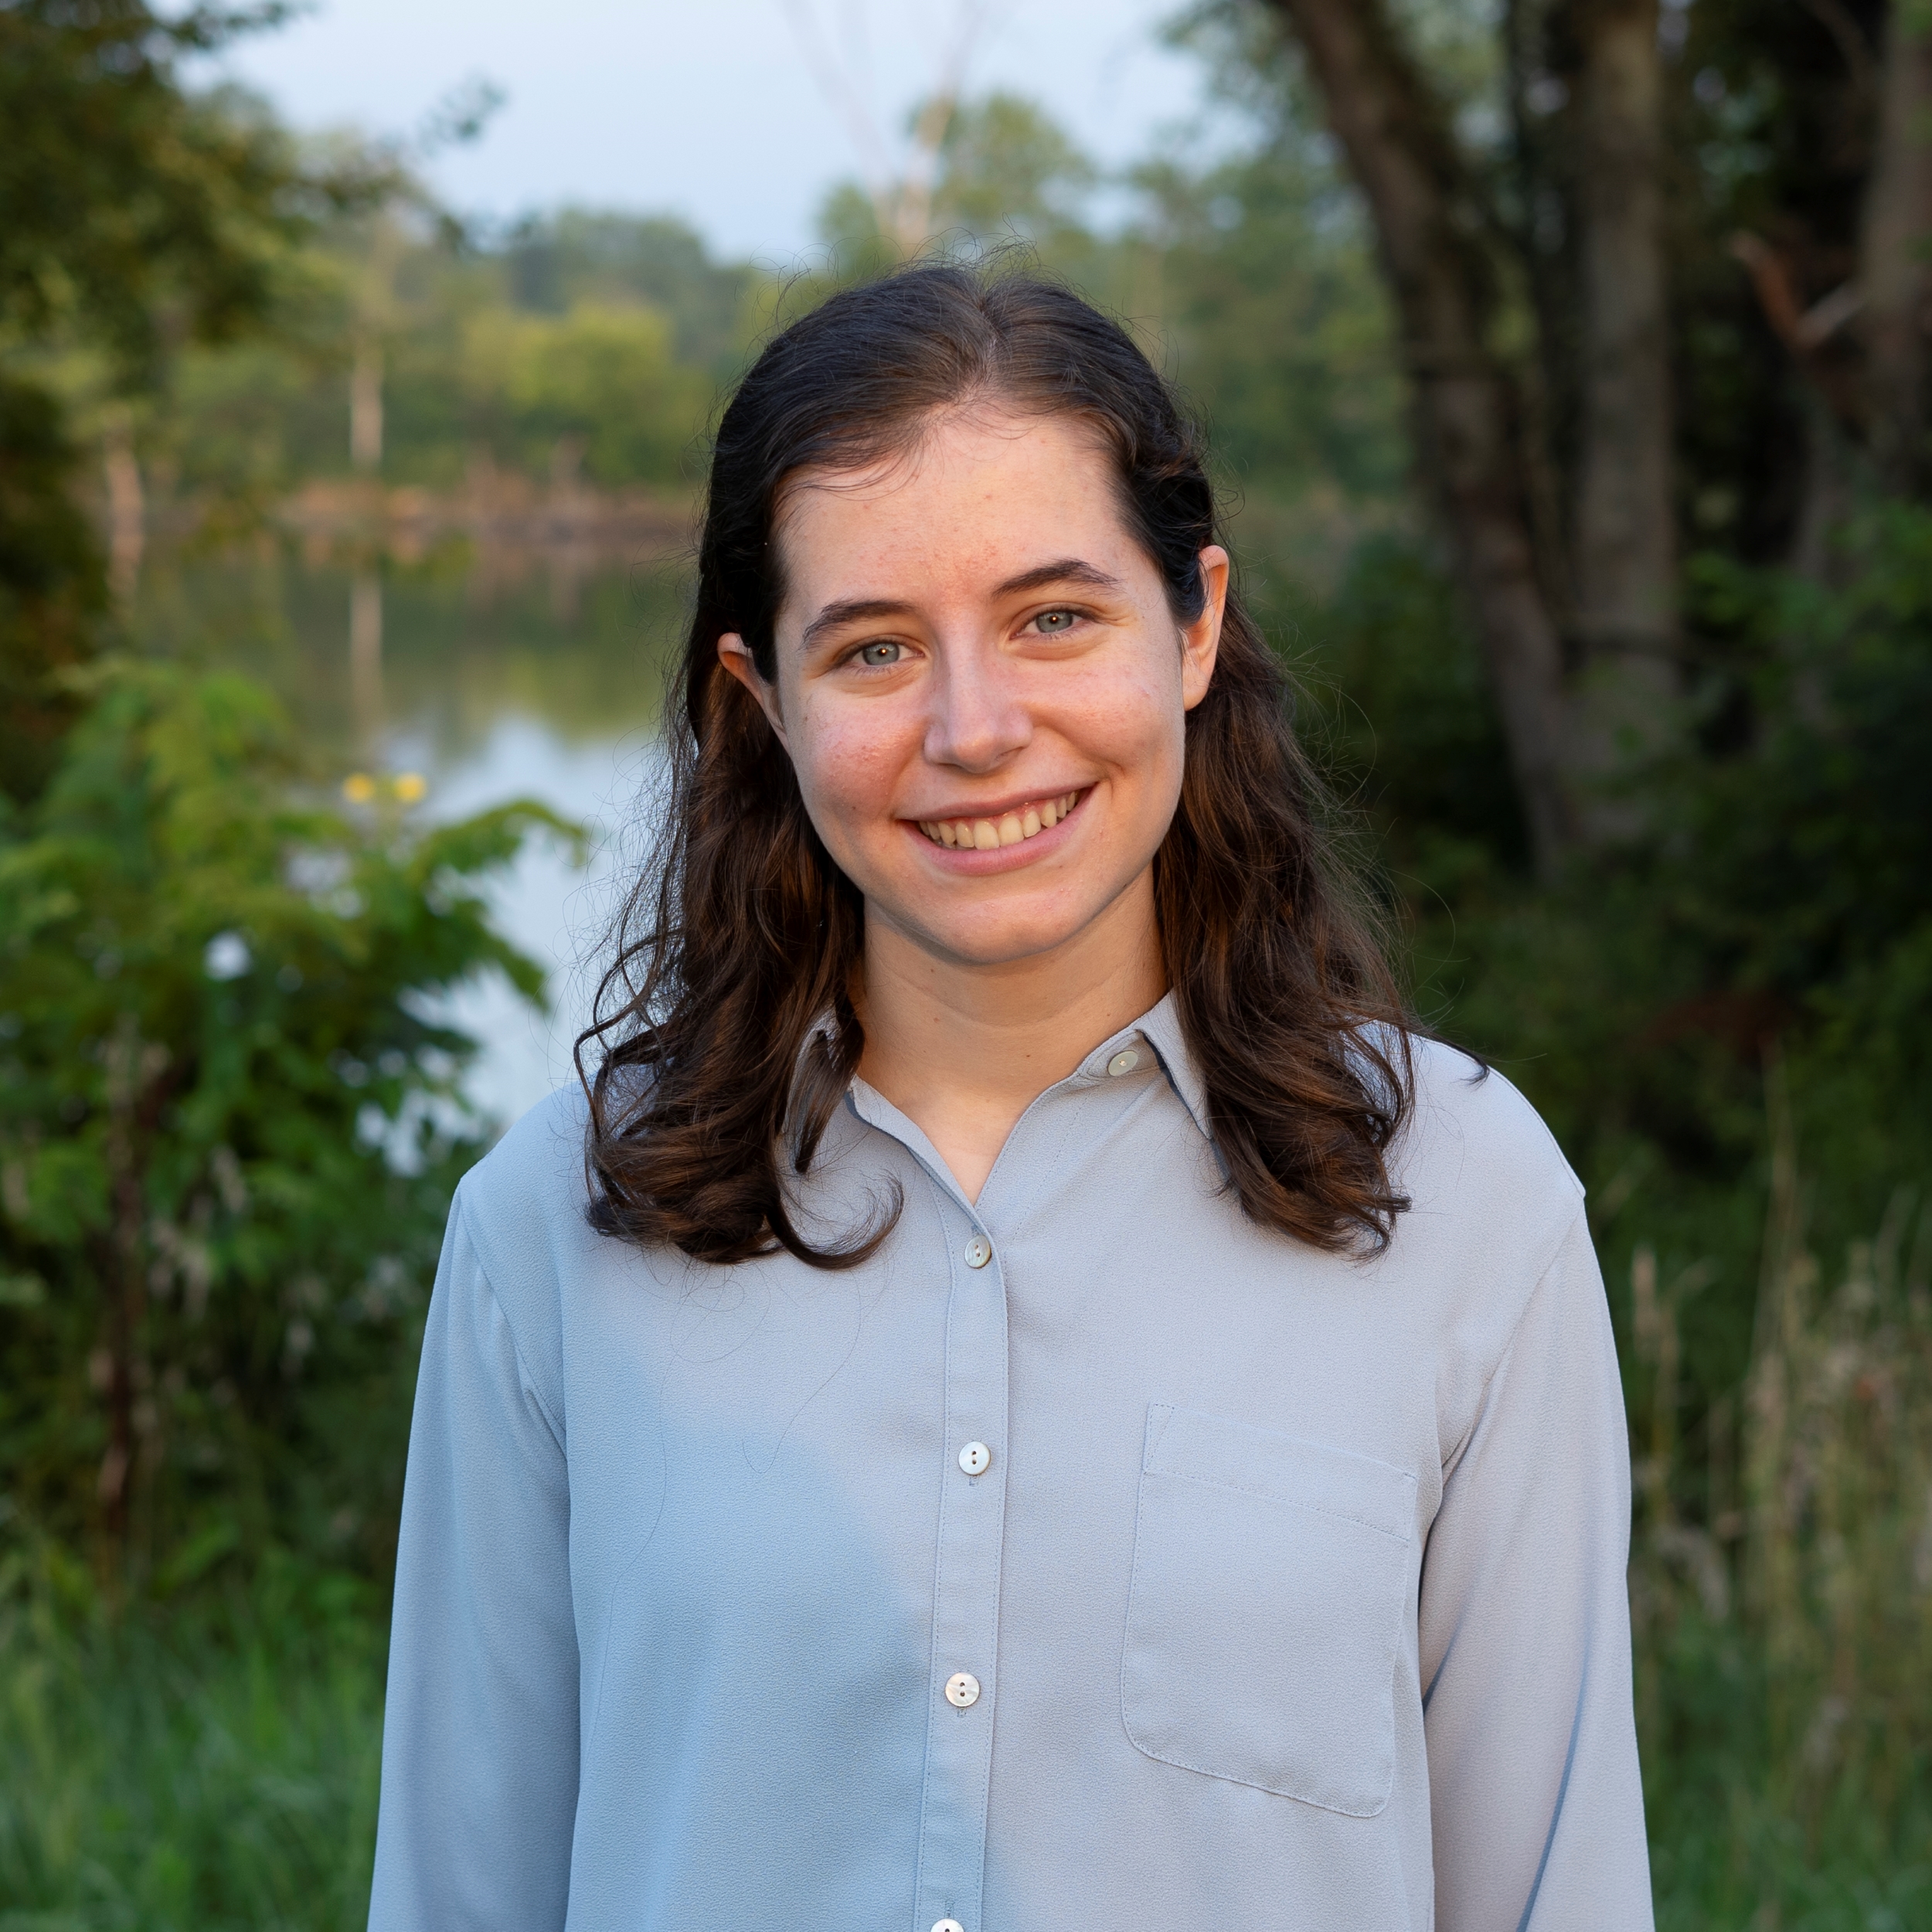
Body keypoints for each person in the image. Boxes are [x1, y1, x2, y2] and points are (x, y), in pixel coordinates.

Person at [367, 264, 1652, 1932]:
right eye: (877, 646)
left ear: (1190, 624)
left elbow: (1552, 1894)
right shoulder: (551, 1224)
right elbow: (461, 1891)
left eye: (1054, 616)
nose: (975, 730)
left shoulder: (1469, 1205)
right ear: (762, 703)